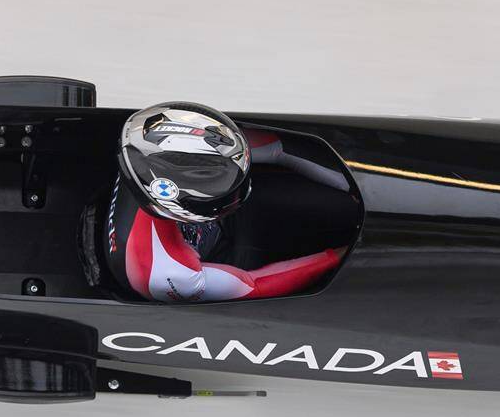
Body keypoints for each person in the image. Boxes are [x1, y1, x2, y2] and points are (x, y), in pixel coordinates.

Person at [106, 102, 343, 302]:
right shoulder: (169, 272)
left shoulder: (145, 144)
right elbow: (255, 285)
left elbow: (273, 147)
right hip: (216, 256)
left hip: (209, 232)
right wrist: (338, 258)